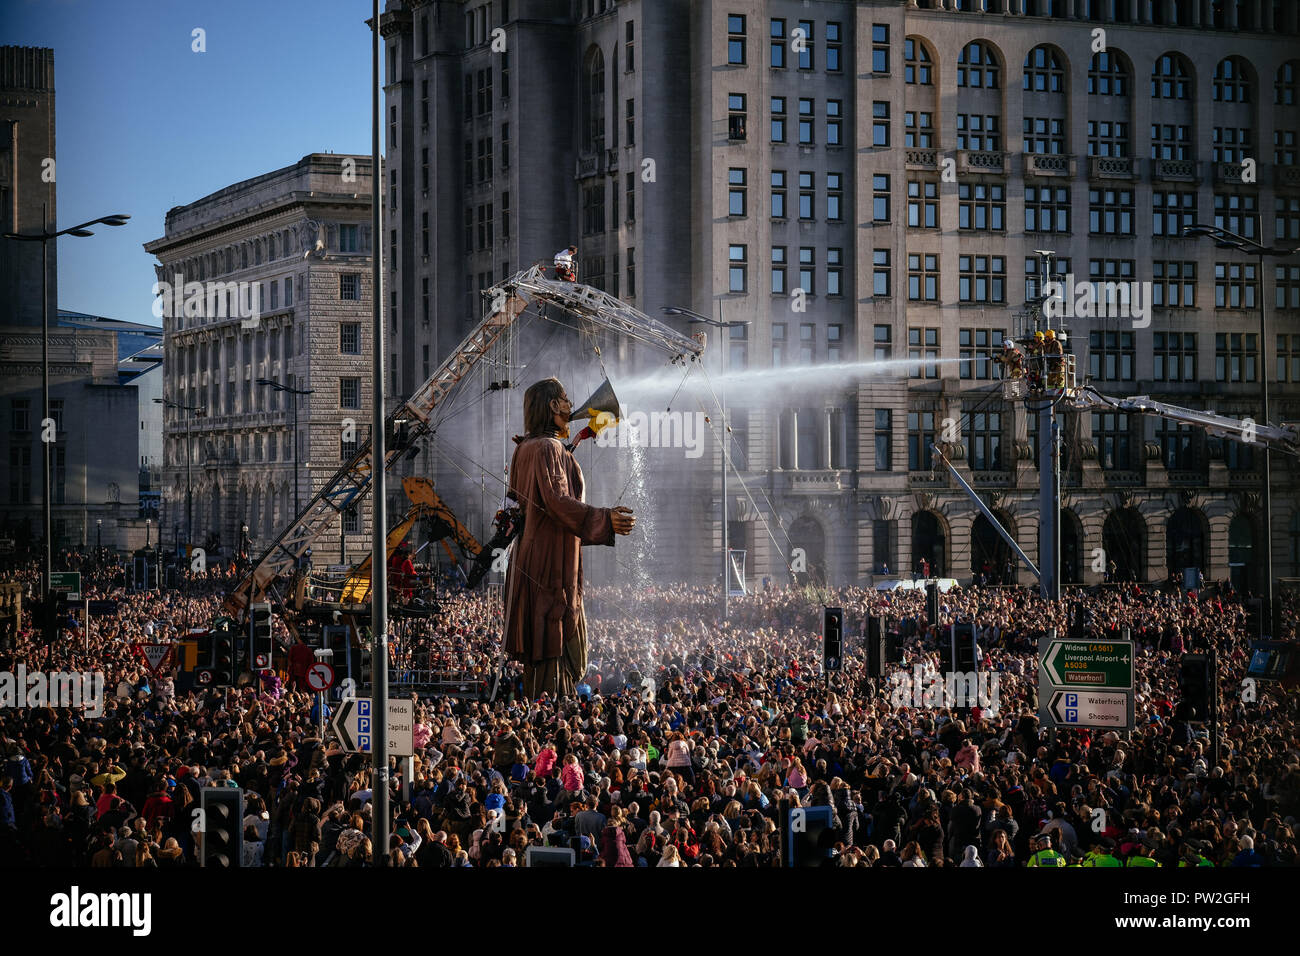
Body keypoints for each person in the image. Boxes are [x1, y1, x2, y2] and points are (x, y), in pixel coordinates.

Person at [502, 379, 635, 698]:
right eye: (564, 399)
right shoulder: (546, 448)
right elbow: (558, 501)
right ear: (551, 406)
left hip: (536, 558)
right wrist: (605, 519)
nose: (569, 403)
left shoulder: (526, 448)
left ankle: (545, 706)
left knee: (552, 646)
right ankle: (554, 711)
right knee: (559, 645)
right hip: (552, 563)